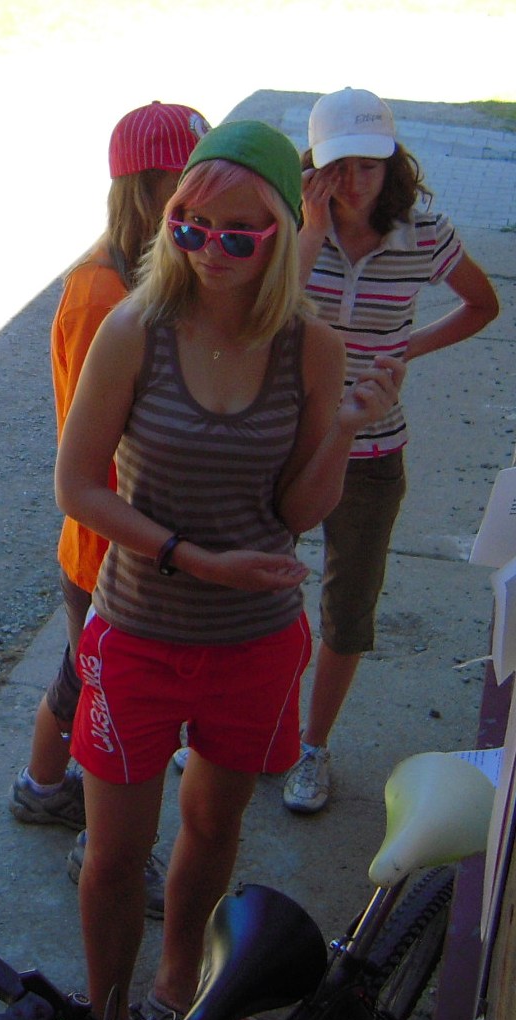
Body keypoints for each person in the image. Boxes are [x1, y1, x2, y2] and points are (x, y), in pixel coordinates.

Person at [53, 121, 403, 1020]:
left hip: (253, 641)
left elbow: (296, 511)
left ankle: (181, 983)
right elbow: (77, 486)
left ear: (283, 233)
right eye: (189, 225)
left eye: (239, 234)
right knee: (114, 853)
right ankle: (106, 1019)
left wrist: (345, 430)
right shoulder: (134, 329)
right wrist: (193, 557)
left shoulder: (309, 347)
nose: (209, 249)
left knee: (213, 828)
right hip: (137, 631)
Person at [7, 101, 210, 922]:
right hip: (112, 548)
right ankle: (101, 842)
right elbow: (90, 448)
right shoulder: (101, 292)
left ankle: (39, 788)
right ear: (149, 186)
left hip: (116, 543)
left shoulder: (153, 273)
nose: (204, 197)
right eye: (191, 180)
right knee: (113, 701)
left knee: (78, 674)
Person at [283, 87, 500, 814]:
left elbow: (482, 304)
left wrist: (407, 347)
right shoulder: (291, 225)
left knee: (347, 609)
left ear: (393, 164)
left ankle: (311, 748)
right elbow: (266, 318)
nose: (353, 182)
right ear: (313, 166)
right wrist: (311, 230)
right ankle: (254, 728)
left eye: (369, 166)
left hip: (374, 450)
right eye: (337, 166)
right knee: (257, 590)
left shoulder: (423, 233)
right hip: (286, 443)